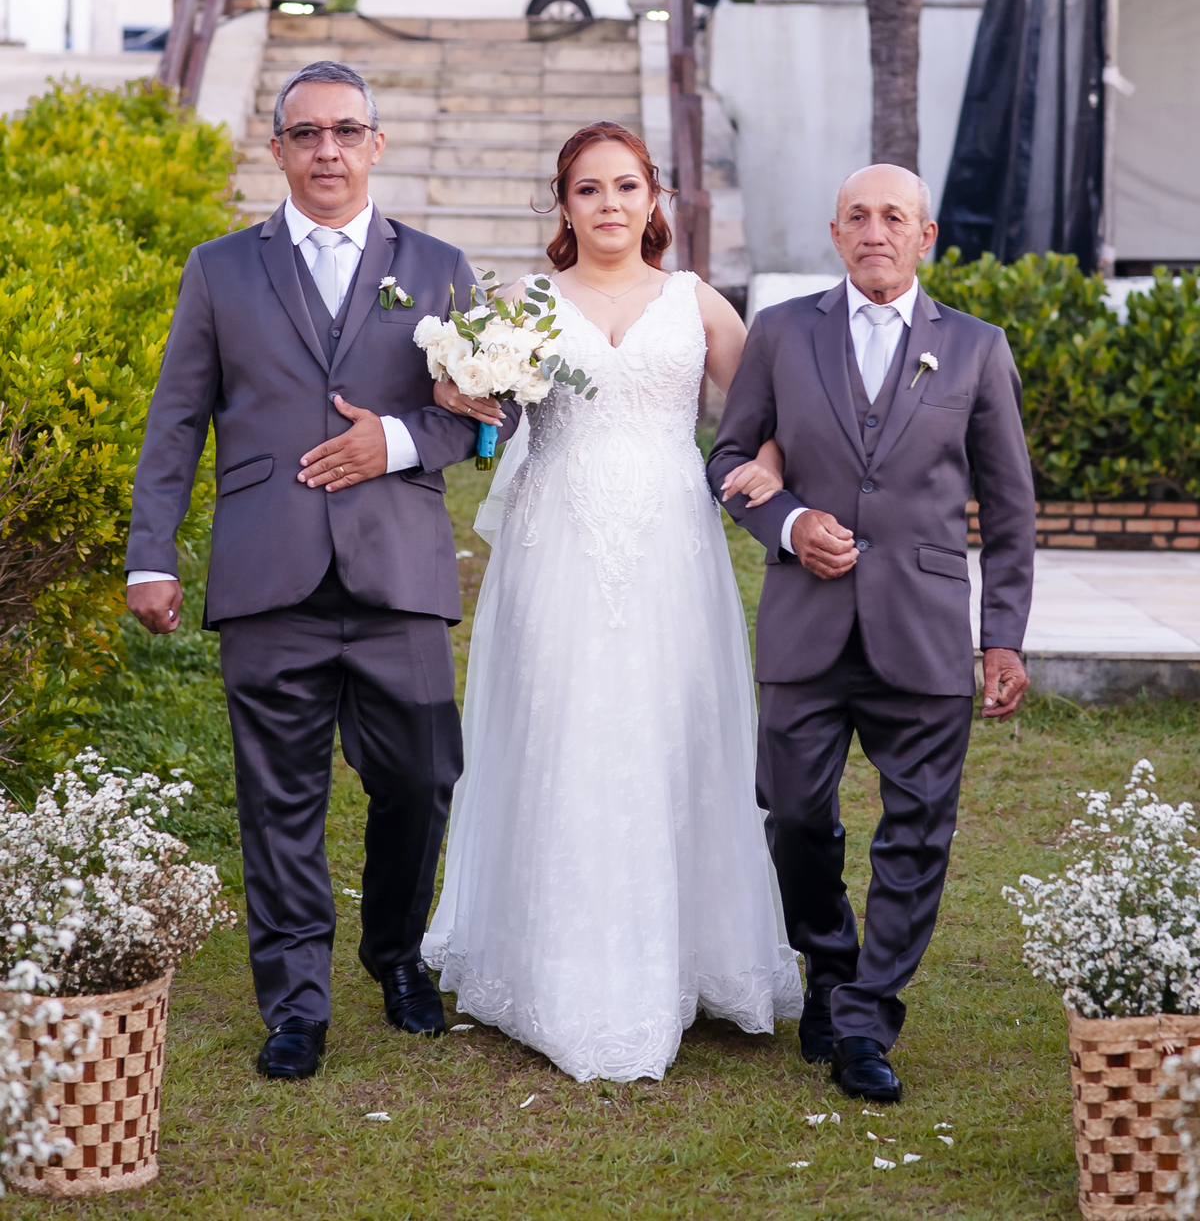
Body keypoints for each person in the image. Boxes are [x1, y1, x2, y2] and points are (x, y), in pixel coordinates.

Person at [124, 59, 517, 1081]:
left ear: (377, 144)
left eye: (347, 131)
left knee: (424, 779)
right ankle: (295, 1003)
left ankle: (394, 956)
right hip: (269, 573)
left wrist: (392, 443)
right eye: (307, 133)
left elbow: (488, 416)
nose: (328, 150)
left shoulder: (436, 266)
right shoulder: (221, 268)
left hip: (398, 569)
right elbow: (176, 422)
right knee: (278, 798)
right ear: (279, 147)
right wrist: (149, 557)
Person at [423, 121, 804, 1083]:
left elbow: (771, 418)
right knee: (565, 730)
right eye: (587, 190)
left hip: (672, 546)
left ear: (654, 199)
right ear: (563, 203)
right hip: (559, 544)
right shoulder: (522, 303)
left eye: (625, 187)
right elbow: (471, 407)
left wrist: (764, 468)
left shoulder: (697, 303)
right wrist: (466, 390)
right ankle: (555, 966)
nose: (608, 205)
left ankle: (688, 958)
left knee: (672, 729)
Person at [707, 164, 1035, 1103]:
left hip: (926, 631)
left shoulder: (975, 349)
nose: (876, 231)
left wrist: (1002, 635)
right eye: (859, 216)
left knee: (918, 834)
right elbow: (729, 457)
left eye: (896, 217)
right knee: (798, 818)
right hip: (807, 627)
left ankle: (863, 1019)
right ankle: (829, 961)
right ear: (835, 232)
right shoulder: (780, 333)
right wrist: (788, 524)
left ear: (926, 236)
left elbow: (1010, 507)